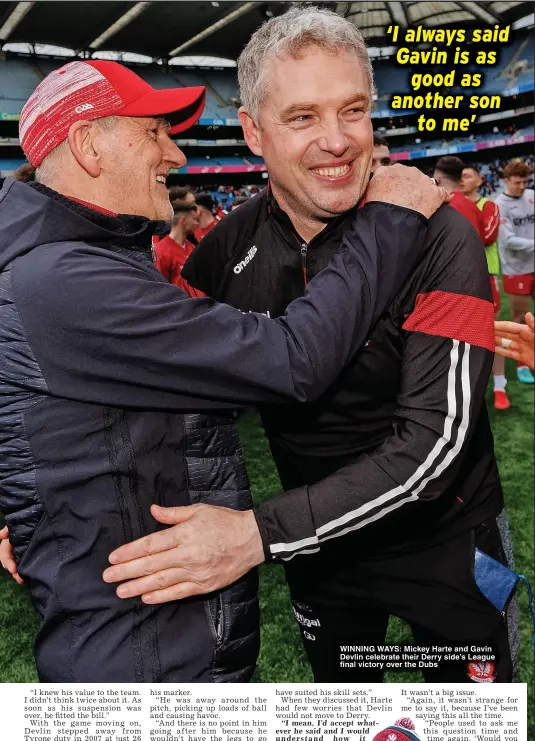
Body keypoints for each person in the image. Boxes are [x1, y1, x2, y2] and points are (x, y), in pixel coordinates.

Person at [103, 7, 516, 684]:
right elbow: (170, 402)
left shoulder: (441, 236)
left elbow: (433, 451)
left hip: (444, 541)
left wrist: (254, 533)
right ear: (252, 132)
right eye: (302, 118)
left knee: (464, 722)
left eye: (352, 110)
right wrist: (70, 500)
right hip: (318, 554)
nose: (336, 140)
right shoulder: (223, 252)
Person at [0, 57, 443, 682]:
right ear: (88, 145)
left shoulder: (57, 263)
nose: (176, 155)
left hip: (136, 627)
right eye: (154, 132)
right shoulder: (67, 277)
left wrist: (21, 502)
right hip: (144, 653)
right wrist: (389, 220)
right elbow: (293, 361)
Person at [461, 164, 509, 409]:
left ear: (480, 181)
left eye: (467, 176)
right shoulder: (453, 206)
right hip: (459, 277)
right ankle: (470, 390)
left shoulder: (488, 206)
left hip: (487, 275)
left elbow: (487, 236)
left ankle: (500, 386)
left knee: (494, 332)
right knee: (465, 338)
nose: (462, 180)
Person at [495, 159, 534, 384]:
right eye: (517, 182)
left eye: (525, 182)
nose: (521, 186)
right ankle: (522, 366)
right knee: (520, 318)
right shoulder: (499, 204)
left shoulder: (531, 196)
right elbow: (509, 240)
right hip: (516, 268)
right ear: (506, 180)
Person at [153, 201, 199, 285]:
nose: (197, 223)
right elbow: (159, 287)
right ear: (183, 220)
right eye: (194, 219)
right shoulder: (160, 251)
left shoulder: (193, 248)